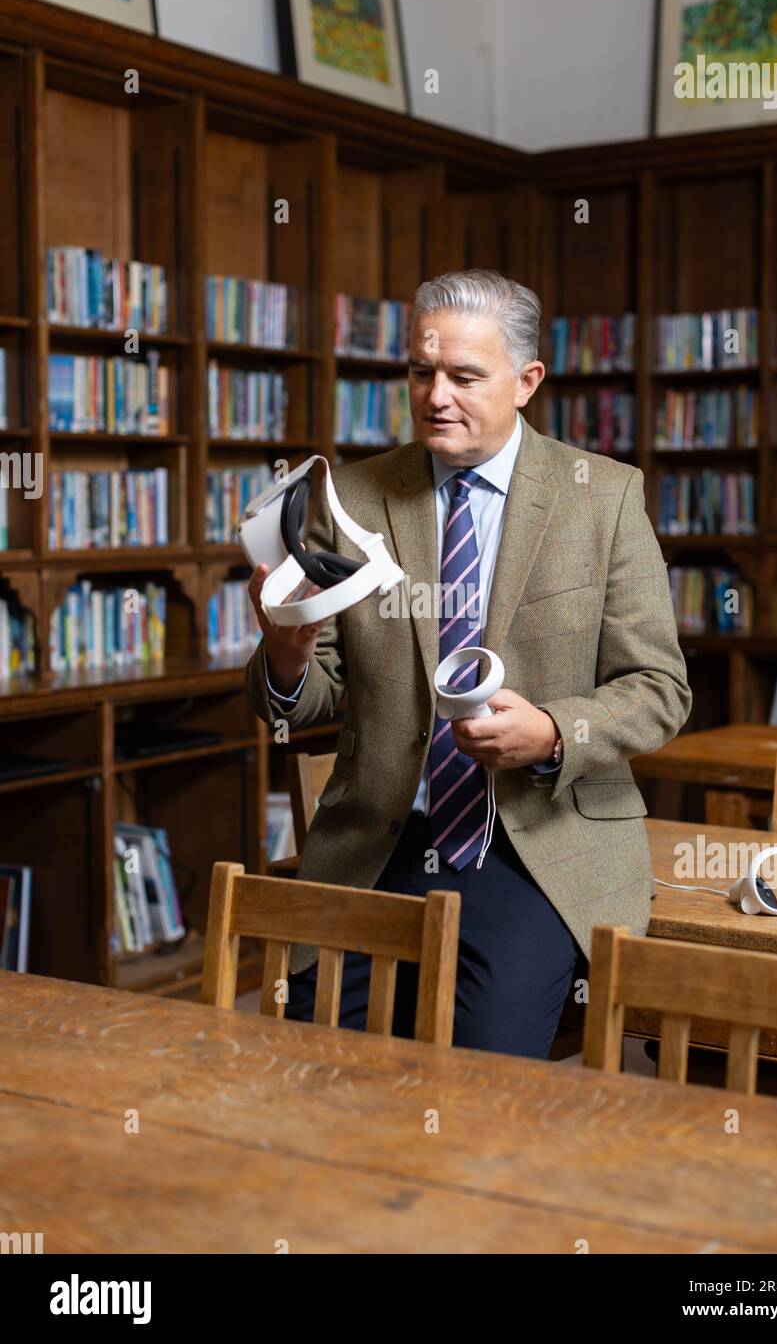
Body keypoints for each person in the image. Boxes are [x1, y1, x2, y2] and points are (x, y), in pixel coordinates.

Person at [245, 269, 691, 1058]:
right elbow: (308, 700)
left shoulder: (604, 497)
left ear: (526, 382)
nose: (436, 397)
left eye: (464, 376)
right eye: (421, 372)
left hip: (537, 844)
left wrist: (552, 731)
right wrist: (285, 653)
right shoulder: (350, 497)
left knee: (482, 1079)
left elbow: (659, 689)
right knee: (305, 1065)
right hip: (379, 843)